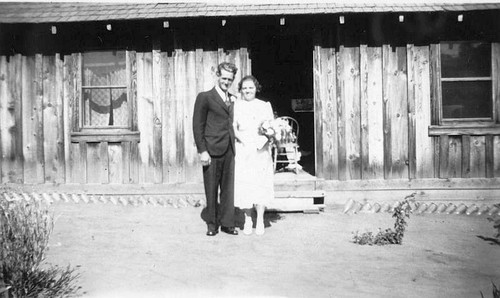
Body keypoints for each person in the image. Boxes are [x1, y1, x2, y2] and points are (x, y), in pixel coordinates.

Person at [193, 62, 239, 236]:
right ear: (217, 76)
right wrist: (202, 150)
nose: (226, 82)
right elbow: (198, 126)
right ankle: (212, 225)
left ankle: (228, 223)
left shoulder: (233, 99)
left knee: (228, 188)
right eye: (224, 78)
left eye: (230, 79)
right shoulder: (205, 97)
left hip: (229, 149)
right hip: (211, 150)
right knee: (211, 188)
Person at [233, 75, 275, 236]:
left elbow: (271, 127)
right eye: (244, 88)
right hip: (243, 149)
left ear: (256, 88)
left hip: (260, 151)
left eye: (250, 87)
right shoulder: (237, 106)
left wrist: (261, 142)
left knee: (260, 185)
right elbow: (234, 127)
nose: (247, 90)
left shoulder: (264, 106)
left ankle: (260, 220)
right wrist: (243, 140)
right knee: (245, 185)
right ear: (241, 90)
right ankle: (248, 219)